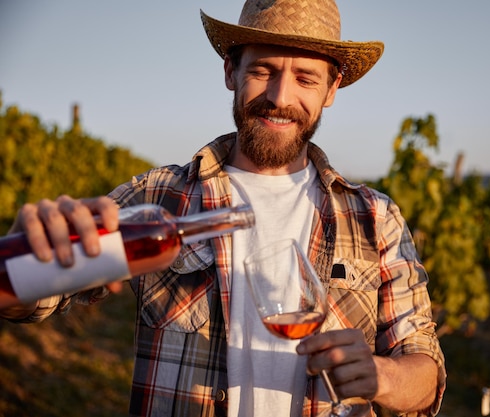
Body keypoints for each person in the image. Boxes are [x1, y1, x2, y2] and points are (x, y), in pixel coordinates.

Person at [1, 0, 446, 416]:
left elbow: (424, 371)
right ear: (231, 70)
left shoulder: (375, 217)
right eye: (263, 70)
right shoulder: (158, 198)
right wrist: (30, 258)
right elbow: (34, 300)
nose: (280, 96)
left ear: (332, 89)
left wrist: (383, 375)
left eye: (306, 79)